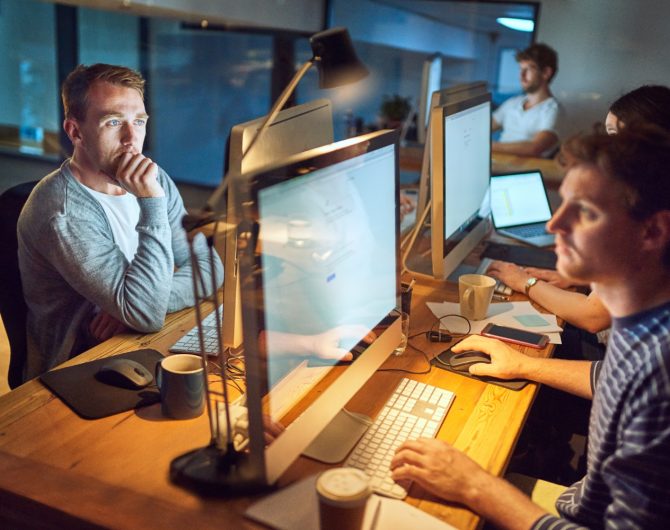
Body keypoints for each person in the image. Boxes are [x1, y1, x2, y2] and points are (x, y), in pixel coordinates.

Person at [391, 124, 670, 528]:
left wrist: (475, 486)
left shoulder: (660, 370)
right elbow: (612, 376)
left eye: (586, 211)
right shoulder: (641, 321)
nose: (555, 224)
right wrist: (524, 366)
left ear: (653, 231)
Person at [17, 63, 223, 381]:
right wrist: (151, 204)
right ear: (75, 131)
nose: (131, 139)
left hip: (136, 342)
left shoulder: (155, 179)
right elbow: (146, 313)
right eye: (113, 121)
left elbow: (211, 269)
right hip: (79, 368)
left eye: (138, 122)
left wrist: (141, 304)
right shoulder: (62, 212)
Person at [487, 85, 670, 334]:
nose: (553, 225)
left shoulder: (643, 215)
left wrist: (525, 282)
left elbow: (593, 316)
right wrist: (581, 277)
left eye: (588, 212)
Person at [492, 43, 563, 158]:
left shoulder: (552, 110)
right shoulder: (513, 103)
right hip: (497, 165)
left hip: (522, 172)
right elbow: (483, 128)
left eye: (528, 69)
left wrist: (490, 146)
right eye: (521, 68)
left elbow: (534, 148)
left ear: (546, 73)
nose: (521, 75)